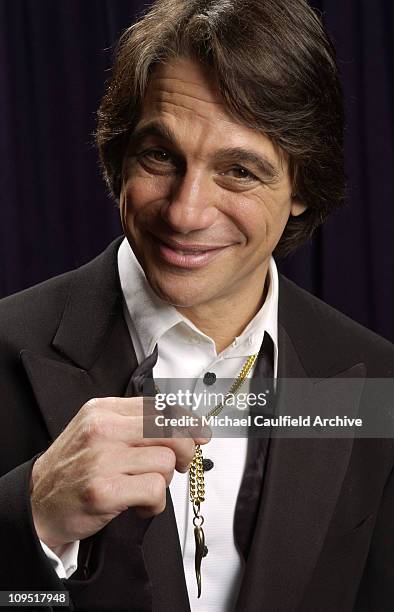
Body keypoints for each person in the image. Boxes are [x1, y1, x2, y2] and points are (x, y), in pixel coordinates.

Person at [0, 0, 393, 610]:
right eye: (160, 156)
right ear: (119, 152)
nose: (185, 213)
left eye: (238, 170)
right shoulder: (5, 345)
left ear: (301, 189)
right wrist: (32, 521)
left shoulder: (374, 381)